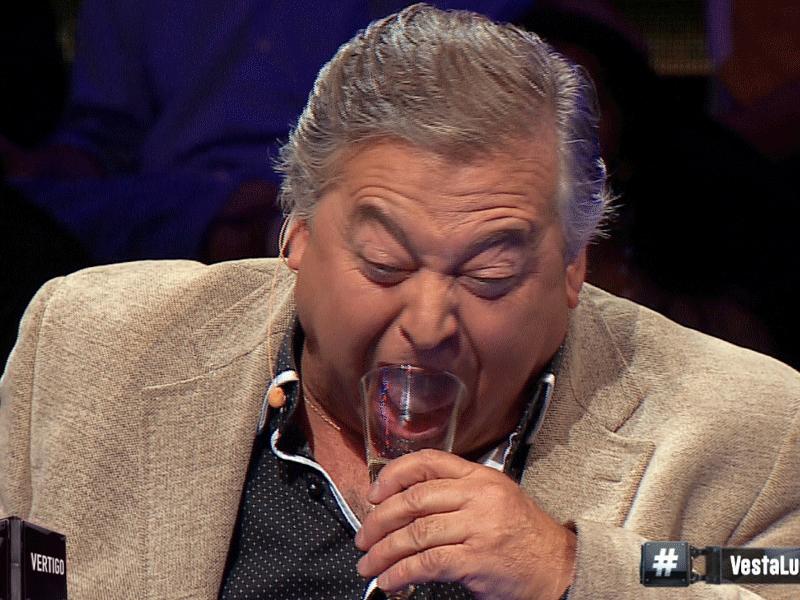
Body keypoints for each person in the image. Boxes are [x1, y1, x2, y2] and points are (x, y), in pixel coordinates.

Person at [1, 4, 798, 599]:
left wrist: (569, 566)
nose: (427, 324)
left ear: (572, 268)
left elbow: (764, 576)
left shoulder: (751, 422)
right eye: (384, 264)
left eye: (489, 274)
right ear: (296, 233)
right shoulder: (94, 340)